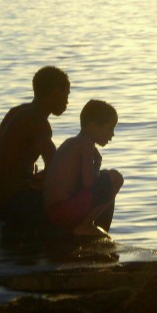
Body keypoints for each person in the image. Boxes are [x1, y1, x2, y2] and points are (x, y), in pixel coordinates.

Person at [0, 66, 70, 224]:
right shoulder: (38, 121)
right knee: (97, 186)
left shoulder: (18, 111)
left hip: (1, 194)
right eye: (66, 94)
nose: (67, 101)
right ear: (55, 93)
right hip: (18, 201)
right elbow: (55, 167)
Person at [44, 99, 124, 237]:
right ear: (93, 126)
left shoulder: (74, 142)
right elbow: (88, 183)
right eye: (110, 128)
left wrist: (98, 163)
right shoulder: (85, 144)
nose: (112, 134)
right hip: (63, 212)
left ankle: (86, 225)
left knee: (105, 176)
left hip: (54, 212)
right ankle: (86, 225)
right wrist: (98, 164)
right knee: (115, 178)